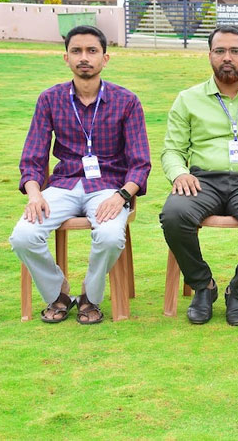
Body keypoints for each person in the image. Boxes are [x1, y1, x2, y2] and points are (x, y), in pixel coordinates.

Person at [10, 25, 151, 325]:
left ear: (105, 58)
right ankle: (59, 292)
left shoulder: (126, 101)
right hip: (63, 185)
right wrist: (34, 194)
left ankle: (90, 295)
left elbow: (140, 163)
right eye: (76, 51)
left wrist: (122, 196)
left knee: (110, 236)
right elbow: (33, 157)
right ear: (66, 58)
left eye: (92, 51)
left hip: (109, 187)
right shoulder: (50, 99)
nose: (84, 57)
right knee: (23, 236)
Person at [160, 26, 238, 326]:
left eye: (235, 51)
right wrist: (179, 174)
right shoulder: (188, 99)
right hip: (202, 181)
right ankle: (203, 285)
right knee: (174, 215)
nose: (227, 57)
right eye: (220, 51)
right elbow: (172, 151)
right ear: (210, 56)